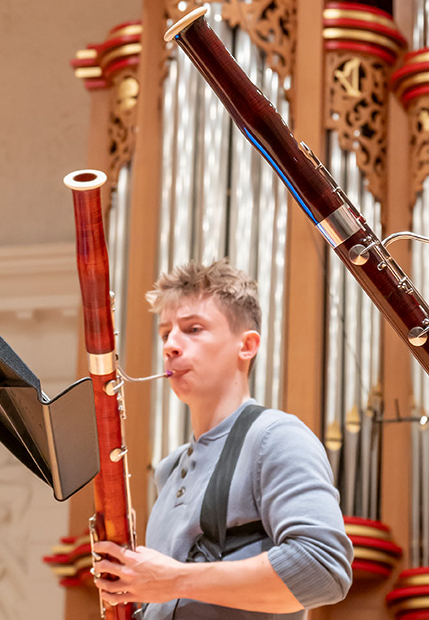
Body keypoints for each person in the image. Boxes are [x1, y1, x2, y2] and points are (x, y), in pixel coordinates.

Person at [92, 260, 353, 619]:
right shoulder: (169, 470)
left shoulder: (276, 438)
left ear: (246, 345)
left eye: (193, 329)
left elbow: (323, 571)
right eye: (165, 332)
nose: (170, 345)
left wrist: (175, 580)